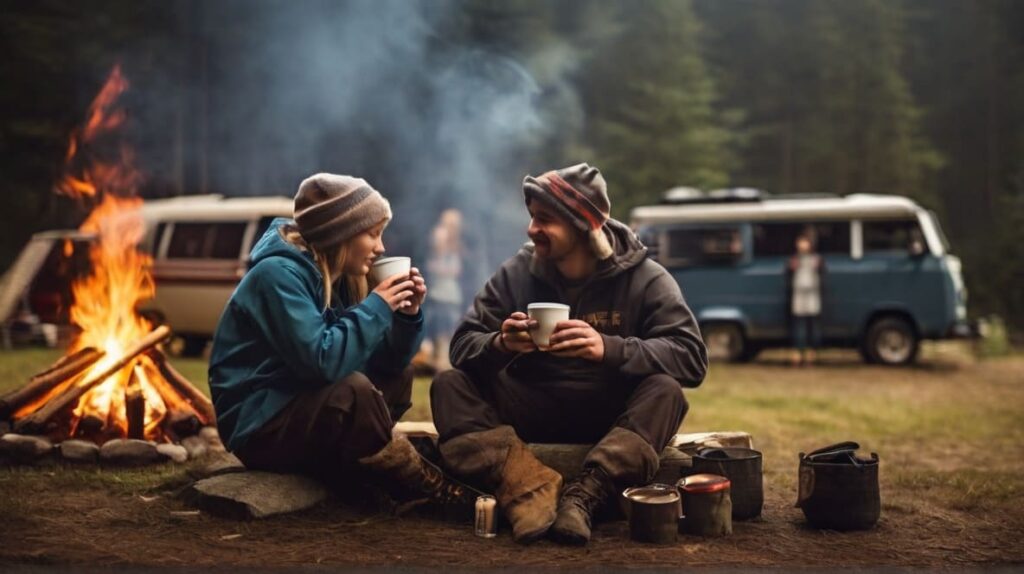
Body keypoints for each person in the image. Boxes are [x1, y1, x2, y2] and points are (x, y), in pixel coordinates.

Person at [429, 163, 708, 545]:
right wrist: (500, 344)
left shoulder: (646, 278)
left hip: (610, 416)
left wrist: (608, 348)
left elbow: (691, 357)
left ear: (582, 225)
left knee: (666, 391)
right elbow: (461, 345)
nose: (532, 229)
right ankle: (526, 486)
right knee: (449, 385)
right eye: (532, 217)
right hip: (528, 407)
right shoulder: (515, 274)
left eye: (545, 220)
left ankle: (586, 496)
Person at [208, 173, 473, 511]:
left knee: (400, 373)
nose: (381, 248)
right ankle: (417, 480)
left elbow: (387, 364)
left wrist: (407, 315)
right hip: (259, 425)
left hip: (296, 403)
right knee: (353, 390)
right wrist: (376, 306)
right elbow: (322, 360)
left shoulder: (341, 278)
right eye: (373, 235)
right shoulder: (276, 275)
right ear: (340, 233)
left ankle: (363, 471)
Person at [424, 210, 464, 371]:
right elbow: (430, 265)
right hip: (438, 294)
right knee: (437, 328)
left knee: (447, 329)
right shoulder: (438, 244)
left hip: (449, 295)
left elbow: (455, 270)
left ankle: (444, 362)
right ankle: (436, 360)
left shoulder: (454, 248)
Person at [787, 233, 825, 365]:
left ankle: (811, 353)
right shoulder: (794, 259)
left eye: (805, 242)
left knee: (813, 325)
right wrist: (791, 267)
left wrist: (819, 267)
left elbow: (823, 272)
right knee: (799, 325)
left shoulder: (816, 258)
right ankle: (797, 352)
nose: (802, 245)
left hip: (813, 294)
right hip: (798, 294)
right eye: (800, 242)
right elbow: (787, 273)